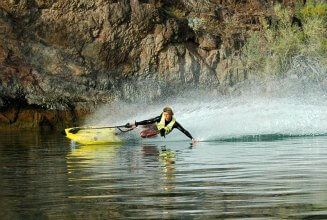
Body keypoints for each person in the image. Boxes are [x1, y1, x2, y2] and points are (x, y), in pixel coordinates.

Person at [127, 107, 196, 143]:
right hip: (155, 126)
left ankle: (138, 131)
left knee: (147, 133)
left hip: (159, 132)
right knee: (149, 122)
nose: (166, 117)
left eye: (167, 115)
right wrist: (136, 123)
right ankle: (133, 126)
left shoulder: (174, 124)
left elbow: (184, 131)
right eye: (165, 115)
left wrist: (192, 138)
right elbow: (148, 121)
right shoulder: (160, 118)